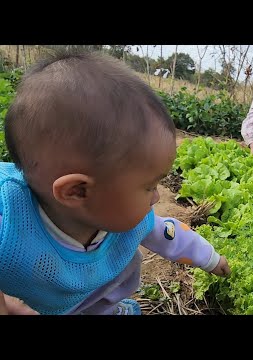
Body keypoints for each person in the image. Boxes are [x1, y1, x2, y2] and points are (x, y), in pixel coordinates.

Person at [0, 50, 231, 315]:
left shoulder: (128, 220)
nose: (156, 198)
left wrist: (211, 259)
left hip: (96, 300)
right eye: (149, 187)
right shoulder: (8, 225)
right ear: (77, 191)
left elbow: (170, 235)